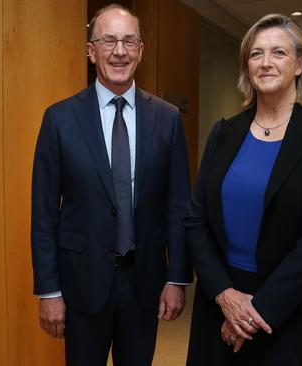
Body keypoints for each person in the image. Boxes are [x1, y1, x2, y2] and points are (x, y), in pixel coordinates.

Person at [185, 13, 302, 365]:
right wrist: (224, 294)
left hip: (288, 308)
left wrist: (256, 311)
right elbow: (195, 220)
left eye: (278, 52)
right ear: (246, 65)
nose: (265, 63)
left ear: (300, 64)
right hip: (219, 300)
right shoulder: (224, 133)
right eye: (255, 54)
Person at [30, 4, 192, 366]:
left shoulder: (166, 119)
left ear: (141, 50)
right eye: (108, 41)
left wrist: (177, 277)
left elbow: (178, 206)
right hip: (81, 284)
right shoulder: (59, 119)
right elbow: (43, 213)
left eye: (129, 41)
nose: (119, 51)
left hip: (144, 283)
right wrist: (49, 290)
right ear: (91, 51)